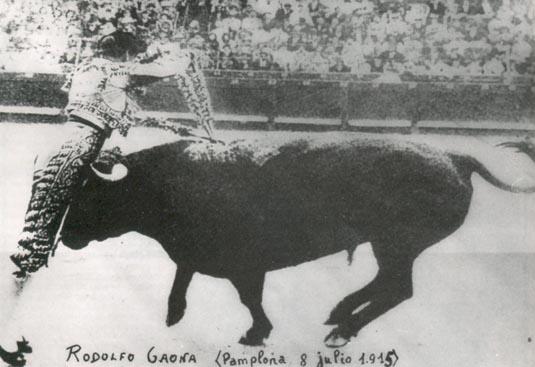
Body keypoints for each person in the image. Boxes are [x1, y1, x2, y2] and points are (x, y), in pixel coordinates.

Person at [10, 28, 216, 279]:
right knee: (56, 205)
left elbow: (126, 108)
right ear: (126, 52)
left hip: (62, 140)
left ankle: (30, 254)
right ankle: (34, 252)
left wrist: (175, 126)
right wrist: (179, 54)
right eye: (132, 54)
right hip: (82, 146)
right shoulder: (117, 72)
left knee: (43, 207)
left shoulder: (85, 69)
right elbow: (168, 68)